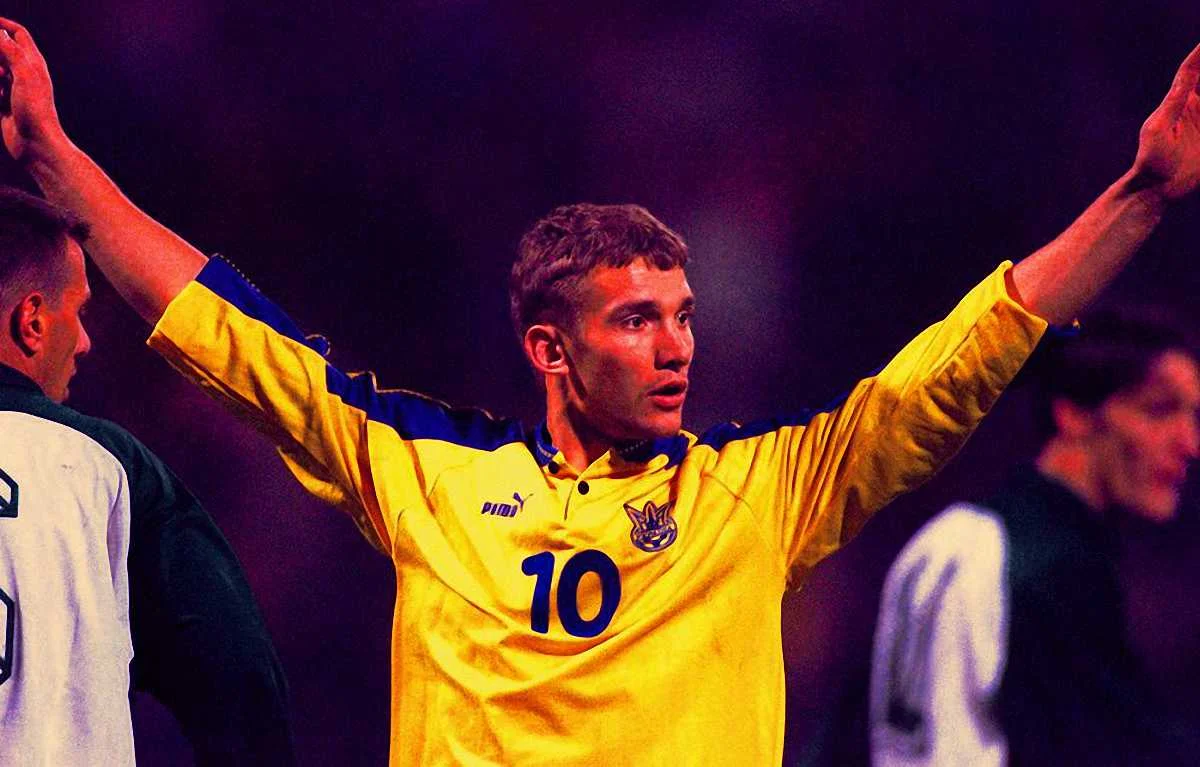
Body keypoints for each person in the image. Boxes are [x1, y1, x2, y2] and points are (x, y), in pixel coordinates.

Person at [1, 17, 1198, 765]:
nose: (677, 347)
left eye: (685, 315)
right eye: (637, 319)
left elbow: (962, 360)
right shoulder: (425, 469)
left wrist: (1140, 194)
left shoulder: (759, 491)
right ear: (550, 348)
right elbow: (227, 331)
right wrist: (59, 161)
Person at [0, 187, 295, 764]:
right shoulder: (111, 469)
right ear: (32, 320)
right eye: (80, 312)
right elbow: (239, 682)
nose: (85, 342)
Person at [869, 309, 1200, 766]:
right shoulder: (1051, 568)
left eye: (1194, 417)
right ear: (1074, 413)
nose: (1189, 444)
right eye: (1158, 410)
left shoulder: (956, 536)